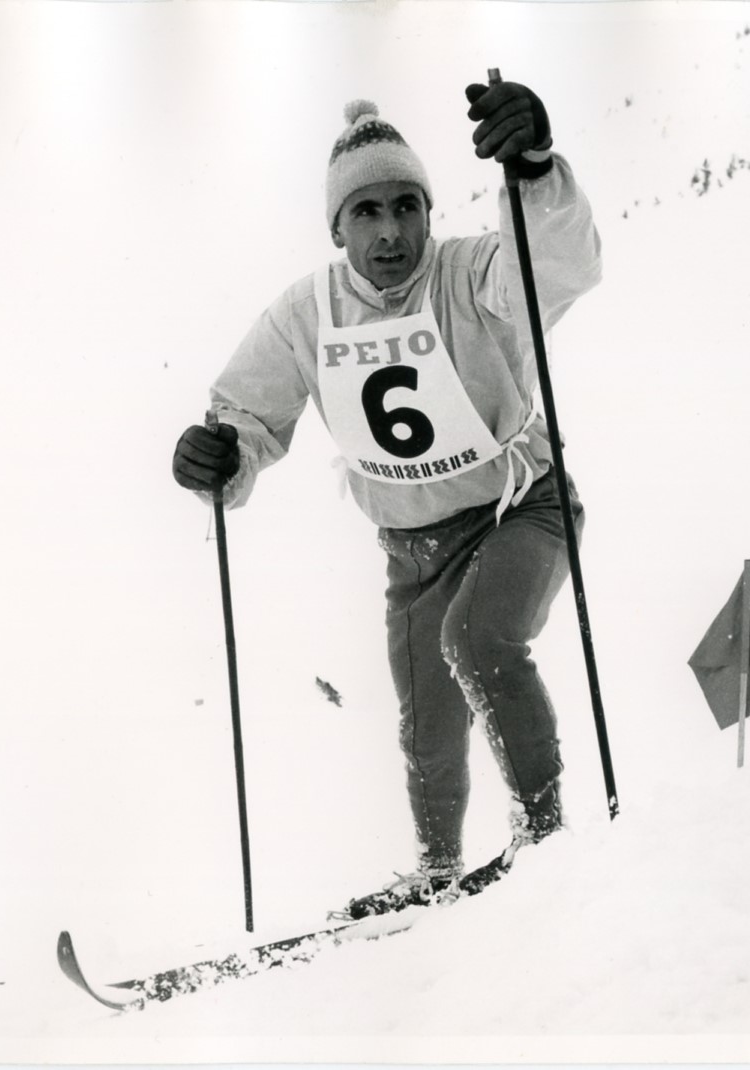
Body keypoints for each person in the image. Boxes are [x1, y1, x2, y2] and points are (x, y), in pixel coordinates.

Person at [171, 81, 602, 916]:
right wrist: (216, 457)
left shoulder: (474, 272)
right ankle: (437, 866)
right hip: (411, 549)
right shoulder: (305, 313)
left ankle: (545, 837)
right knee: (427, 722)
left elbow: (559, 265)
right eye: (366, 212)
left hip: (522, 508)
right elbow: (246, 415)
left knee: (477, 642)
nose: (392, 232)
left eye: (407, 205)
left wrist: (536, 169)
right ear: (337, 228)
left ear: (429, 212)